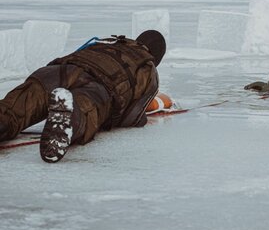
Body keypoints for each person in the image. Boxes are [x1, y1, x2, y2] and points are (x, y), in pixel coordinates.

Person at [0, 30, 166, 163]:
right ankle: (69, 118)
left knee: (15, 107)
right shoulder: (148, 67)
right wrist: (139, 119)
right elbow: (131, 115)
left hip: (57, 71)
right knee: (84, 109)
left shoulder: (108, 40)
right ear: (156, 55)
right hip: (100, 86)